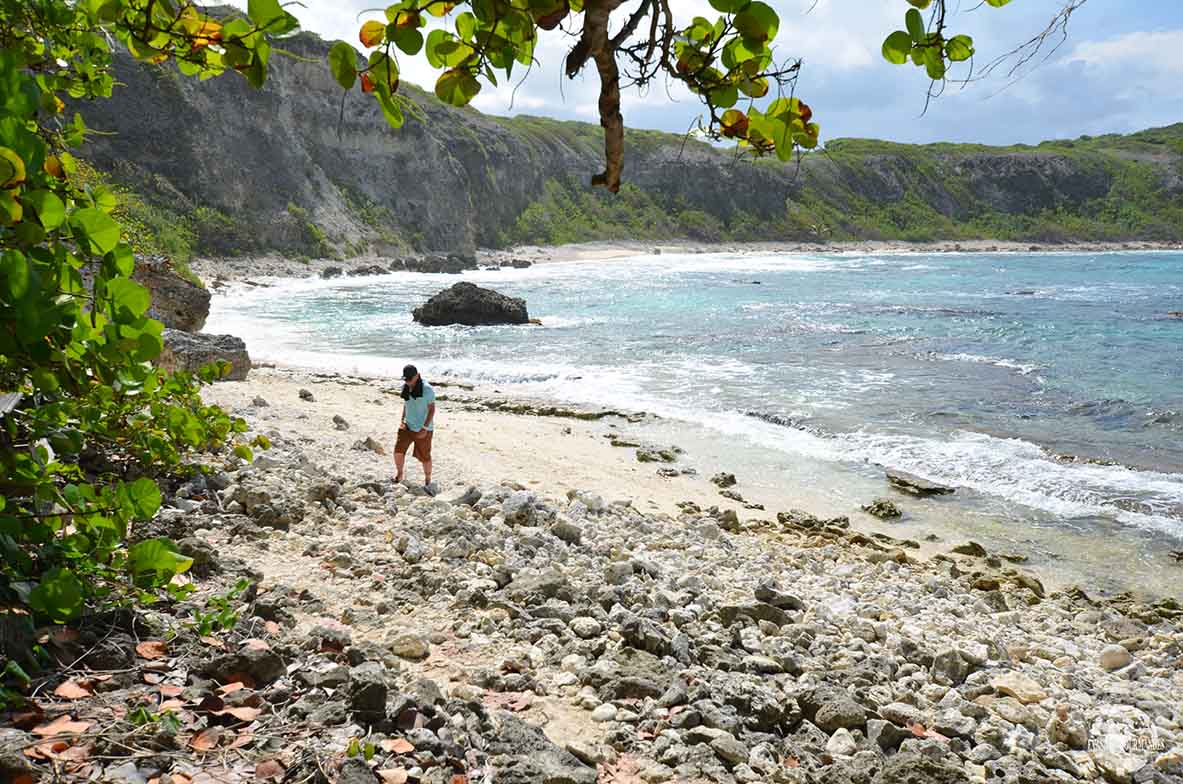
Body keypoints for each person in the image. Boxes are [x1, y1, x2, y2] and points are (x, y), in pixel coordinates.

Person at [394, 364, 436, 494]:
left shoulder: (427, 390)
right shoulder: (406, 387)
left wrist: (424, 427)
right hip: (407, 426)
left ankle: (428, 479)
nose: (408, 382)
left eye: (410, 379)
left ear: (417, 376)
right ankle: (399, 474)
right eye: (405, 379)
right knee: (398, 451)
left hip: (423, 428)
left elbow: (432, 409)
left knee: (425, 456)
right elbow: (406, 404)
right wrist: (402, 420)